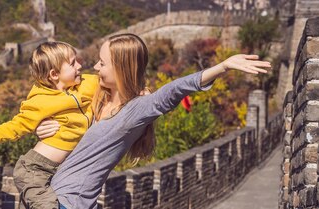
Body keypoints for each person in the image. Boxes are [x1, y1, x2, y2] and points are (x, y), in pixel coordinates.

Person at [34, 33, 271, 209]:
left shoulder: (136, 110)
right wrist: (43, 128)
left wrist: (222, 67)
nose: (95, 67)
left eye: (102, 63)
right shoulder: (93, 99)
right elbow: (52, 108)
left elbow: (172, 91)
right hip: (49, 196)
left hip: (70, 203)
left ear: (121, 68)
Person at [0, 41, 99, 209]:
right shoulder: (40, 101)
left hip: (60, 169)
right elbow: (16, 126)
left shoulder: (87, 84)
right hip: (34, 170)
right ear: (54, 74)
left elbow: (116, 82)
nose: (80, 65)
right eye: (73, 63)